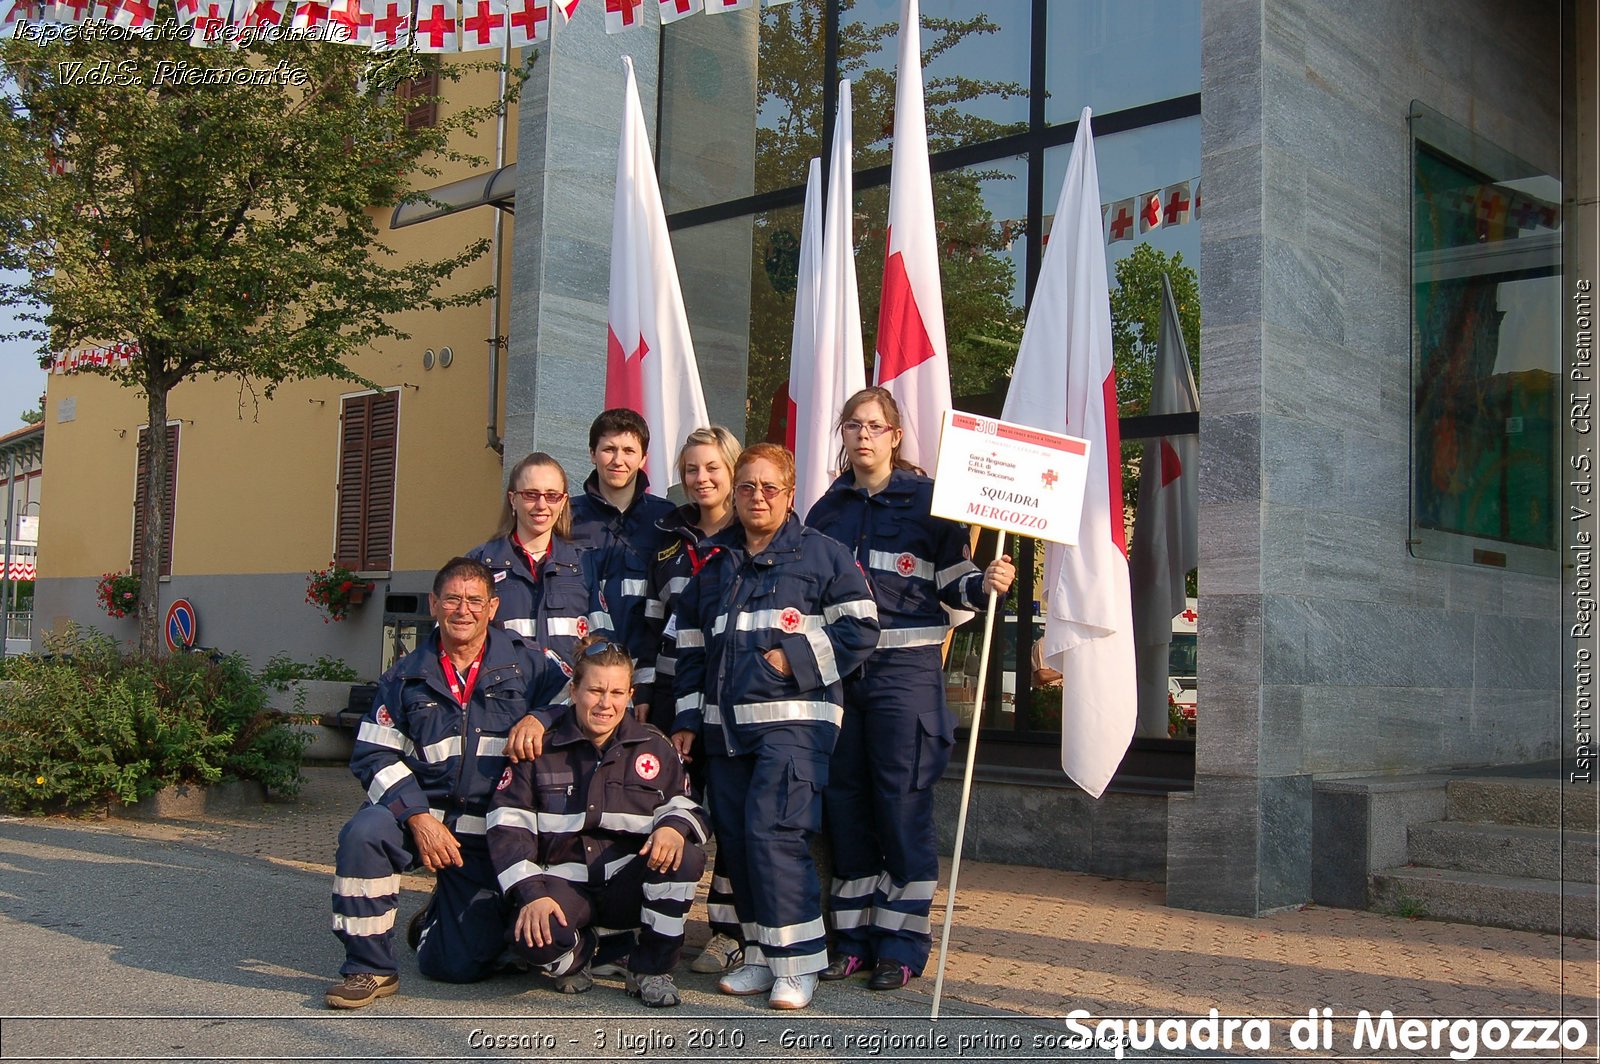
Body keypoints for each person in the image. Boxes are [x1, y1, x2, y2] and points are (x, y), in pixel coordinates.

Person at [804, 387, 1015, 991]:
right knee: (846, 807)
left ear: (896, 436)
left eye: (875, 426)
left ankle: (901, 944)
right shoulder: (826, 510)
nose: (863, 436)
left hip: (906, 679)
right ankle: (850, 939)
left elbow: (958, 587)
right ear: (842, 435)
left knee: (902, 807)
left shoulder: (931, 503)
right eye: (853, 425)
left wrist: (988, 583)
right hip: (842, 679)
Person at [670, 443, 879, 1010]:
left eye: (769, 488)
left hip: (794, 726)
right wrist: (688, 718)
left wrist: (794, 657)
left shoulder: (824, 556)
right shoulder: (714, 562)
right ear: (734, 494)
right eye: (746, 487)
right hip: (724, 731)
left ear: (790, 494)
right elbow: (685, 646)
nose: (756, 497)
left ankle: (799, 964)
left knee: (774, 836)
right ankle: (763, 955)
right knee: (738, 844)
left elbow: (862, 629)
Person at [325, 557, 569, 1009]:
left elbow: (574, 695)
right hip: (425, 816)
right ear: (434, 604)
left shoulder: (528, 662)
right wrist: (417, 816)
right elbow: (373, 753)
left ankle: (440, 918)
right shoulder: (405, 674)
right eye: (452, 599)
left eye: (475, 600)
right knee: (365, 833)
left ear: (492, 607)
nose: (463, 610)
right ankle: (368, 968)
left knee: (456, 968)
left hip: (491, 830)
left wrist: (539, 715)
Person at [486, 637, 709, 1008]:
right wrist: (532, 894)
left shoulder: (654, 744)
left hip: (628, 884)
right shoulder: (540, 746)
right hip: (564, 885)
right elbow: (508, 826)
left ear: (630, 694)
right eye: (595, 690)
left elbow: (689, 805)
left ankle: (651, 969)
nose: (606, 703)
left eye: (617, 692)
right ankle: (589, 950)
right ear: (573, 690)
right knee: (531, 941)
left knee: (684, 856)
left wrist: (673, 826)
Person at [641, 426, 744, 975]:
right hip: (668, 696)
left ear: (731, 471)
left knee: (727, 813)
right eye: (690, 469)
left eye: (711, 468)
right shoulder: (667, 540)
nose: (700, 478)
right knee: (667, 805)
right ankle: (658, 923)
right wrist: (642, 693)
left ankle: (729, 931)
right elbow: (650, 625)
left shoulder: (749, 536)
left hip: (729, 698)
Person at [568, 409, 676, 706]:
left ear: (643, 459)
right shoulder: (565, 519)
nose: (618, 460)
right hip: (584, 679)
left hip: (648, 681)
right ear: (592, 453)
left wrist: (649, 682)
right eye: (608, 449)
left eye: (629, 450)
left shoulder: (666, 519)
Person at [467, 452, 611, 670]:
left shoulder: (584, 564)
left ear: (563, 503)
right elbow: (457, 642)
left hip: (566, 699)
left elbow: (602, 643)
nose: (541, 505)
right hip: (502, 700)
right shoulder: (480, 564)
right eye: (530, 495)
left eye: (552, 495)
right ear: (512, 499)